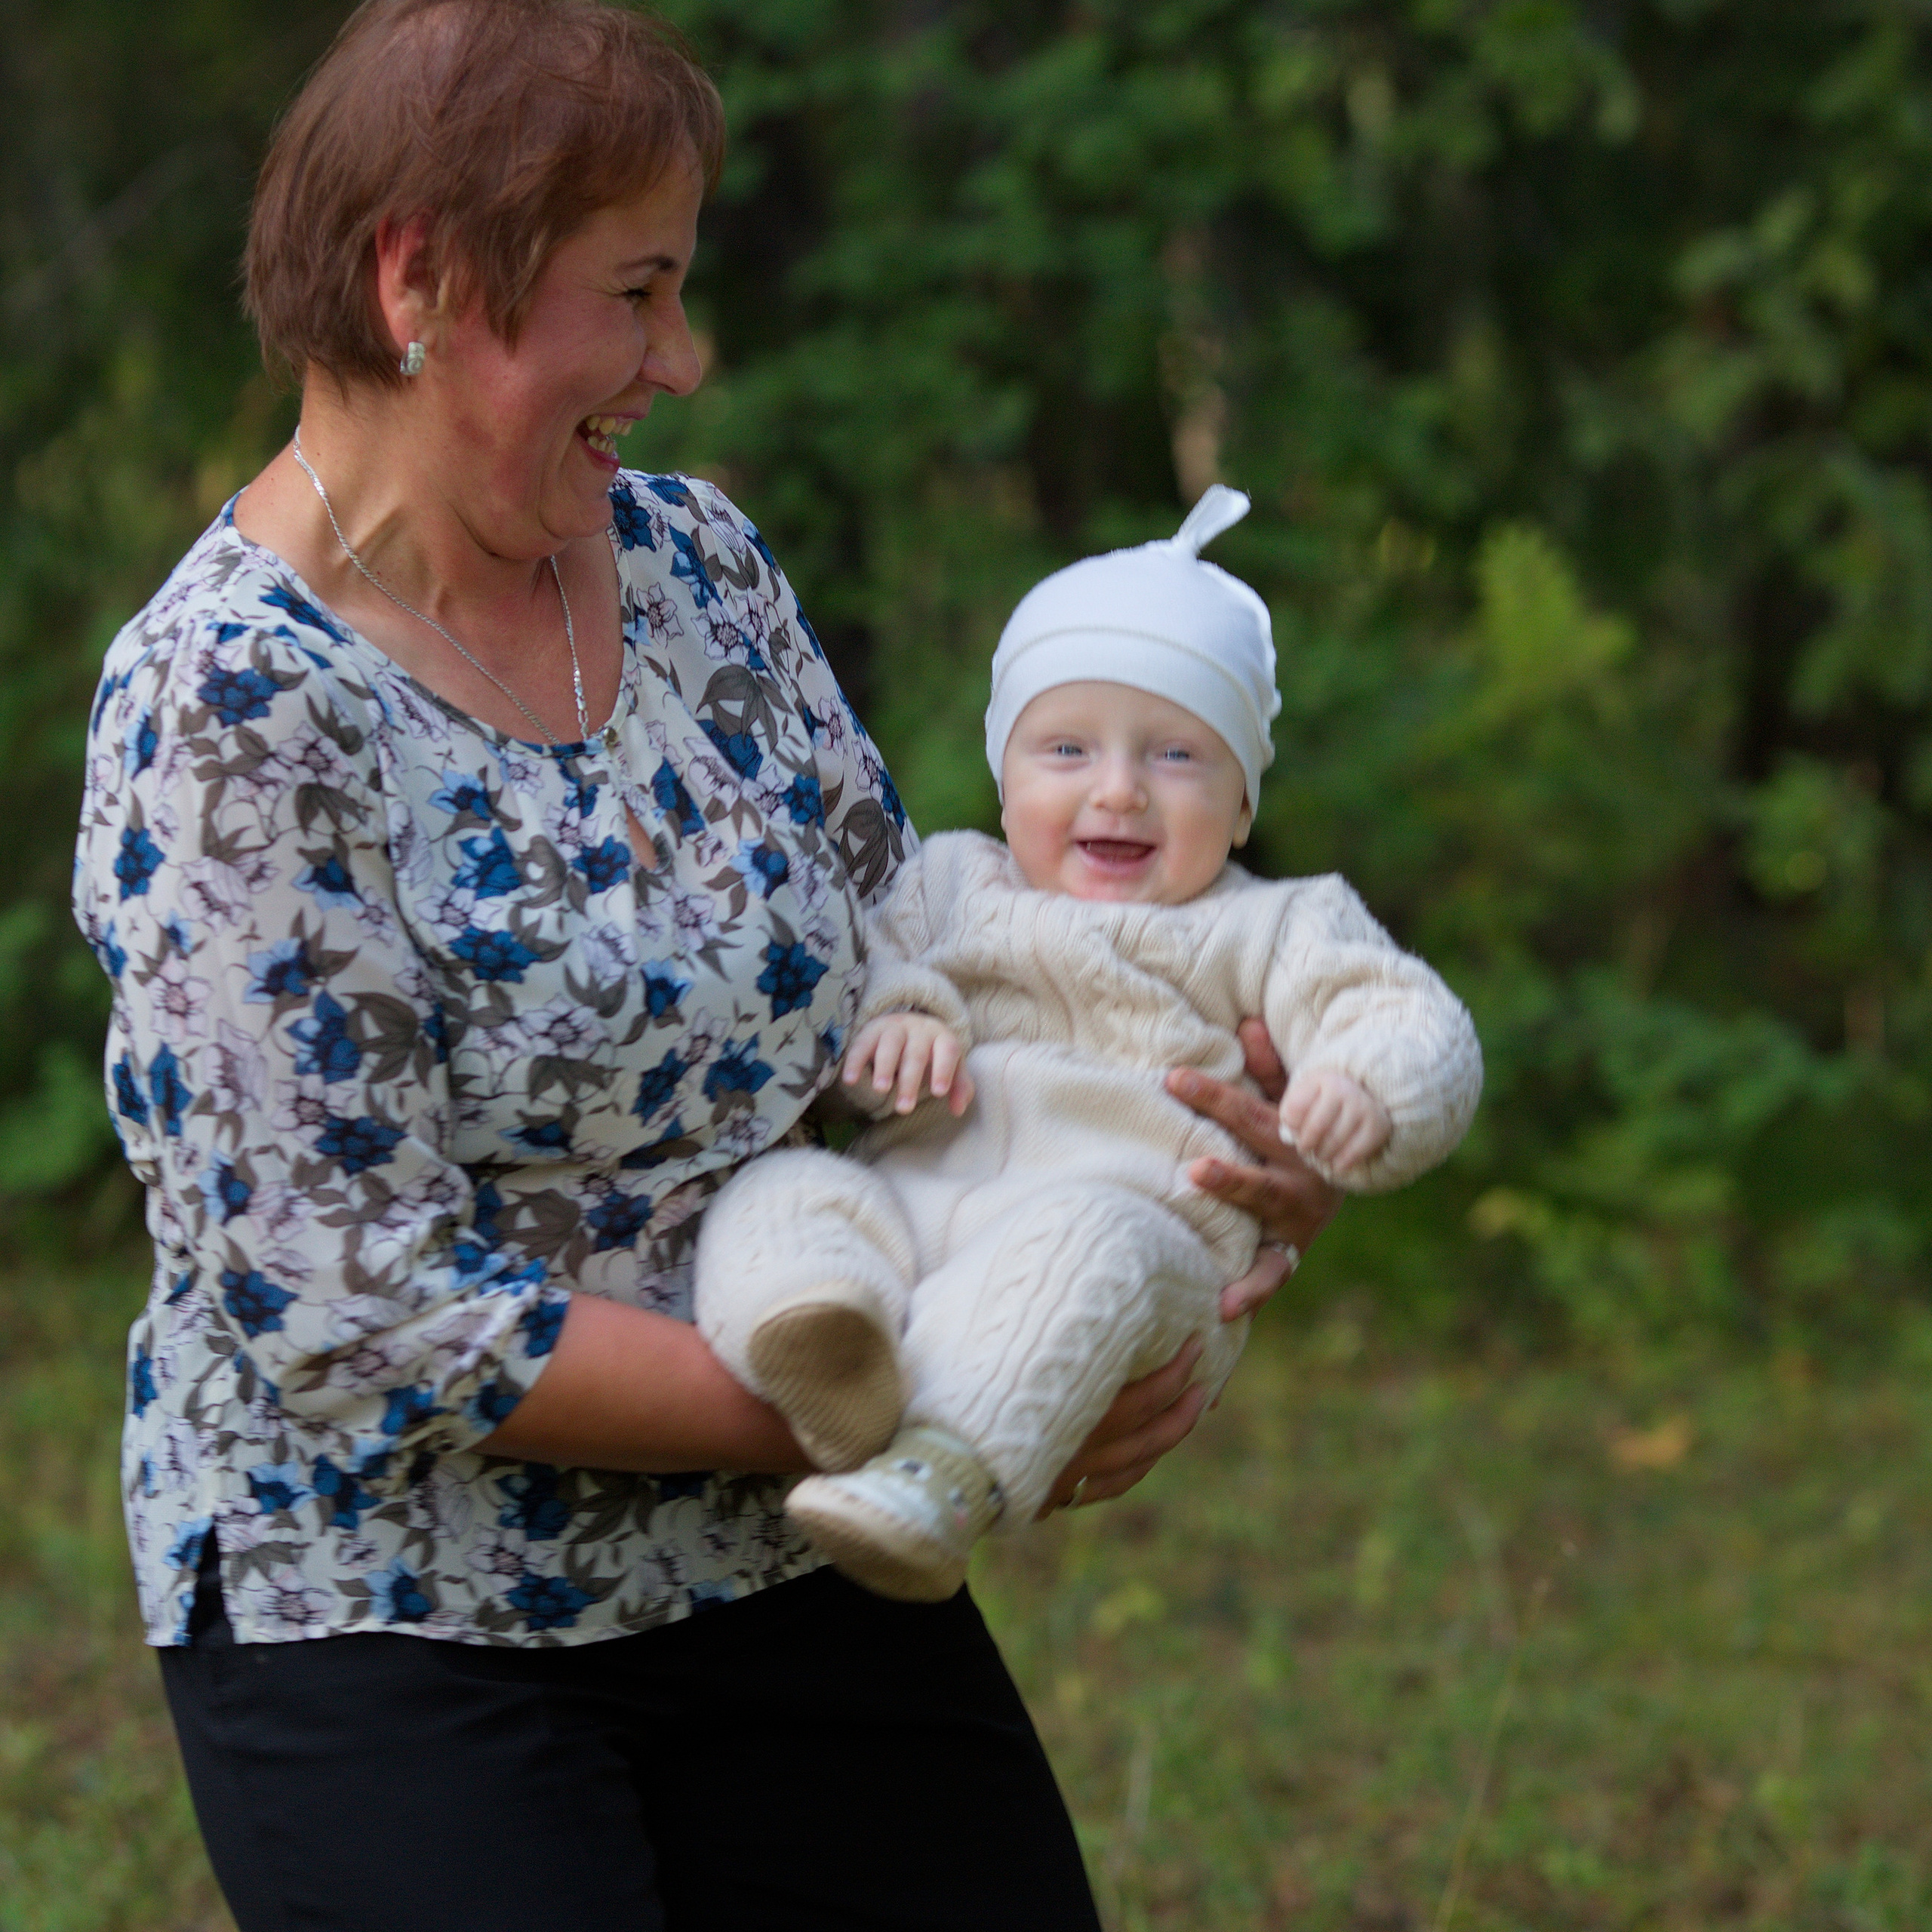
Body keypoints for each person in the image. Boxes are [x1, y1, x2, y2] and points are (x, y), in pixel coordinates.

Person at [71, 3, 1340, 1926]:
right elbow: (346, 1300)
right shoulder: (228, 708)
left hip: (772, 1556)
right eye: (636, 292)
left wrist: (1167, 1182)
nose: (681, 359)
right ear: (421, 275)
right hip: (396, 1603)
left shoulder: (693, 573)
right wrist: (939, 1402)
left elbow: (902, 986)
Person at [694, 487, 1483, 1600]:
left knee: (1086, 1239)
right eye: (1066, 748)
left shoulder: (1275, 923)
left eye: (1175, 757)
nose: (1118, 791)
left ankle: (941, 1479)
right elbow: (857, 981)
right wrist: (899, 1023)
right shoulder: (949, 884)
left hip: (1139, 1250)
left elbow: (1409, 1015)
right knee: (778, 1195)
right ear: (1005, 779)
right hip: (918, 1220)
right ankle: (833, 1345)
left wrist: (1370, 1087)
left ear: (1245, 801)